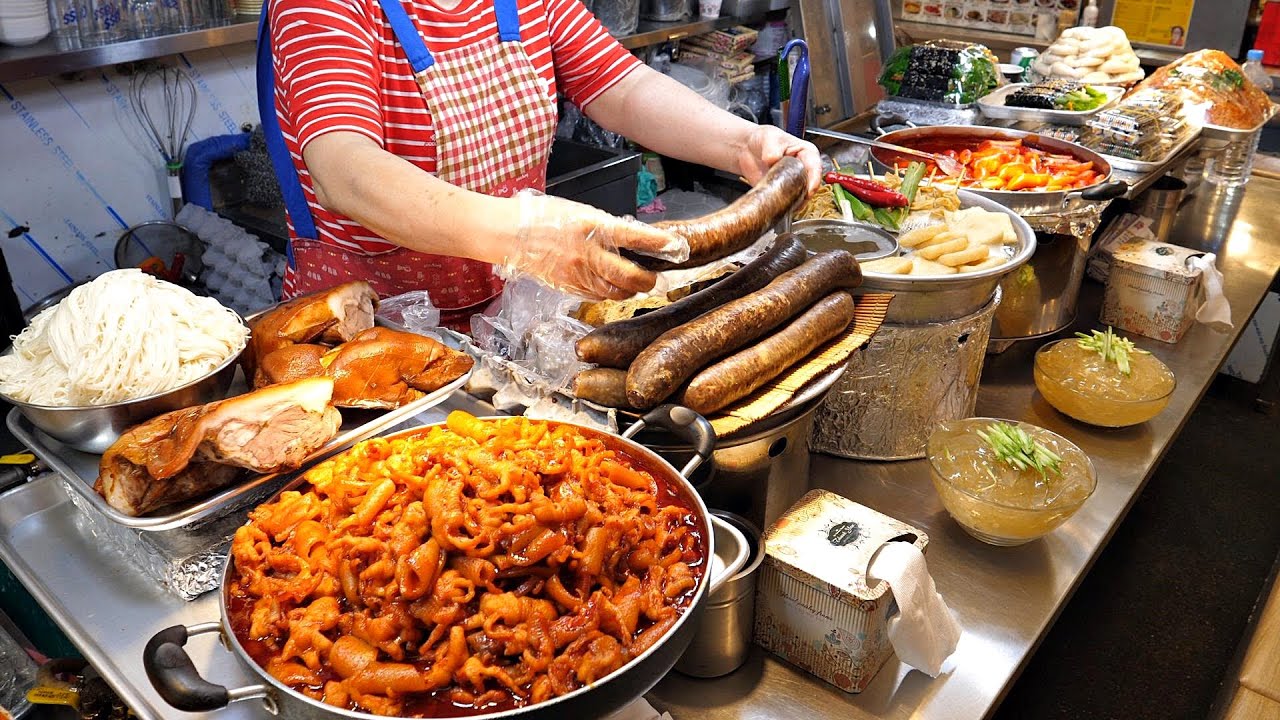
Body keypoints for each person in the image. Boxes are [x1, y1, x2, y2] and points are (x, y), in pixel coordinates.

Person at [256, 0, 821, 327]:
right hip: (368, 333)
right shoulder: (321, 6)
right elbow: (343, 169)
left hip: (511, 324)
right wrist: (523, 235)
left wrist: (742, 143)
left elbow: (619, 86)